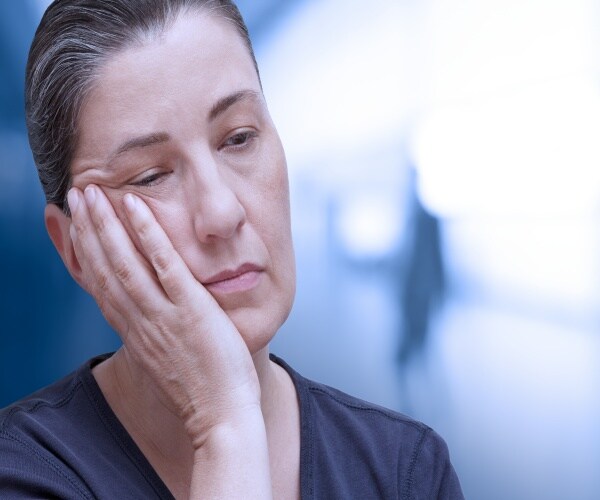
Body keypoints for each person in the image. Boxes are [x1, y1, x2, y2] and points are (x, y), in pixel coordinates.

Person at [0, 0, 464, 498]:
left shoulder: (405, 470)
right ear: (75, 249)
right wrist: (223, 428)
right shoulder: (26, 475)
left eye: (239, 138)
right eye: (151, 176)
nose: (222, 213)